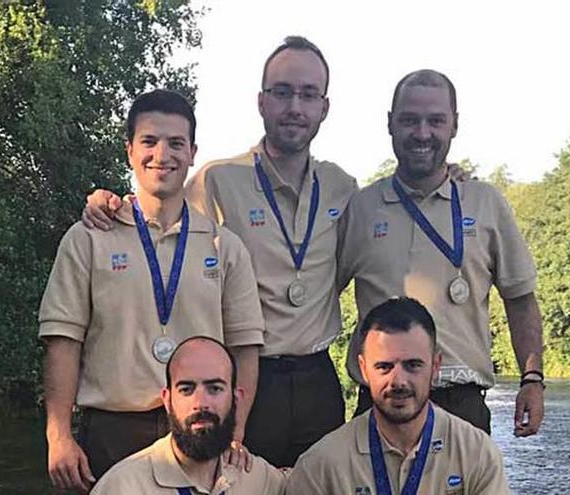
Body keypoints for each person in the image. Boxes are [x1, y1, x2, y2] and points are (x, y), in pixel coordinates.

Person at [81, 36, 358, 468]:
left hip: (318, 380)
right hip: (246, 377)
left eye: (308, 94)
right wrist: (110, 203)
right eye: (282, 92)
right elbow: (163, 228)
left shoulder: (343, 188)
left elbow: (346, 267)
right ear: (262, 102)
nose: (295, 107)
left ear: (324, 107)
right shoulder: (216, 180)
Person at [39, 89, 265, 492]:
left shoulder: (223, 245)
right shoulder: (89, 238)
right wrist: (58, 434)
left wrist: (238, 430)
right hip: (112, 430)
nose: (162, 154)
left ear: (193, 152)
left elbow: (245, 346)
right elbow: (62, 339)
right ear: (129, 150)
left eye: (176, 143)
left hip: (200, 428)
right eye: (149, 141)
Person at [337, 70, 545, 437]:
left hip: (463, 407)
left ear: (454, 125)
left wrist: (532, 379)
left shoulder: (486, 203)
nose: (422, 133)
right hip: (382, 403)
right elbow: (317, 298)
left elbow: (520, 299)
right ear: (390, 124)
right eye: (409, 120)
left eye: (435, 121)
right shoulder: (360, 209)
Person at [286, 297, 510, 494]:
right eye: (384, 367)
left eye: (413, 365)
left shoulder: (477, 454)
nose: (399, 381)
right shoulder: (321, 466)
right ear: (363, 369)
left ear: (435, 366)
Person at [91, 337, 285, 494]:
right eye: (186, 389)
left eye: (215, 388)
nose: (200, 404)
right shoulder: (123, 487)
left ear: (236, 398)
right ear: (167, 400)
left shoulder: (259, 479)